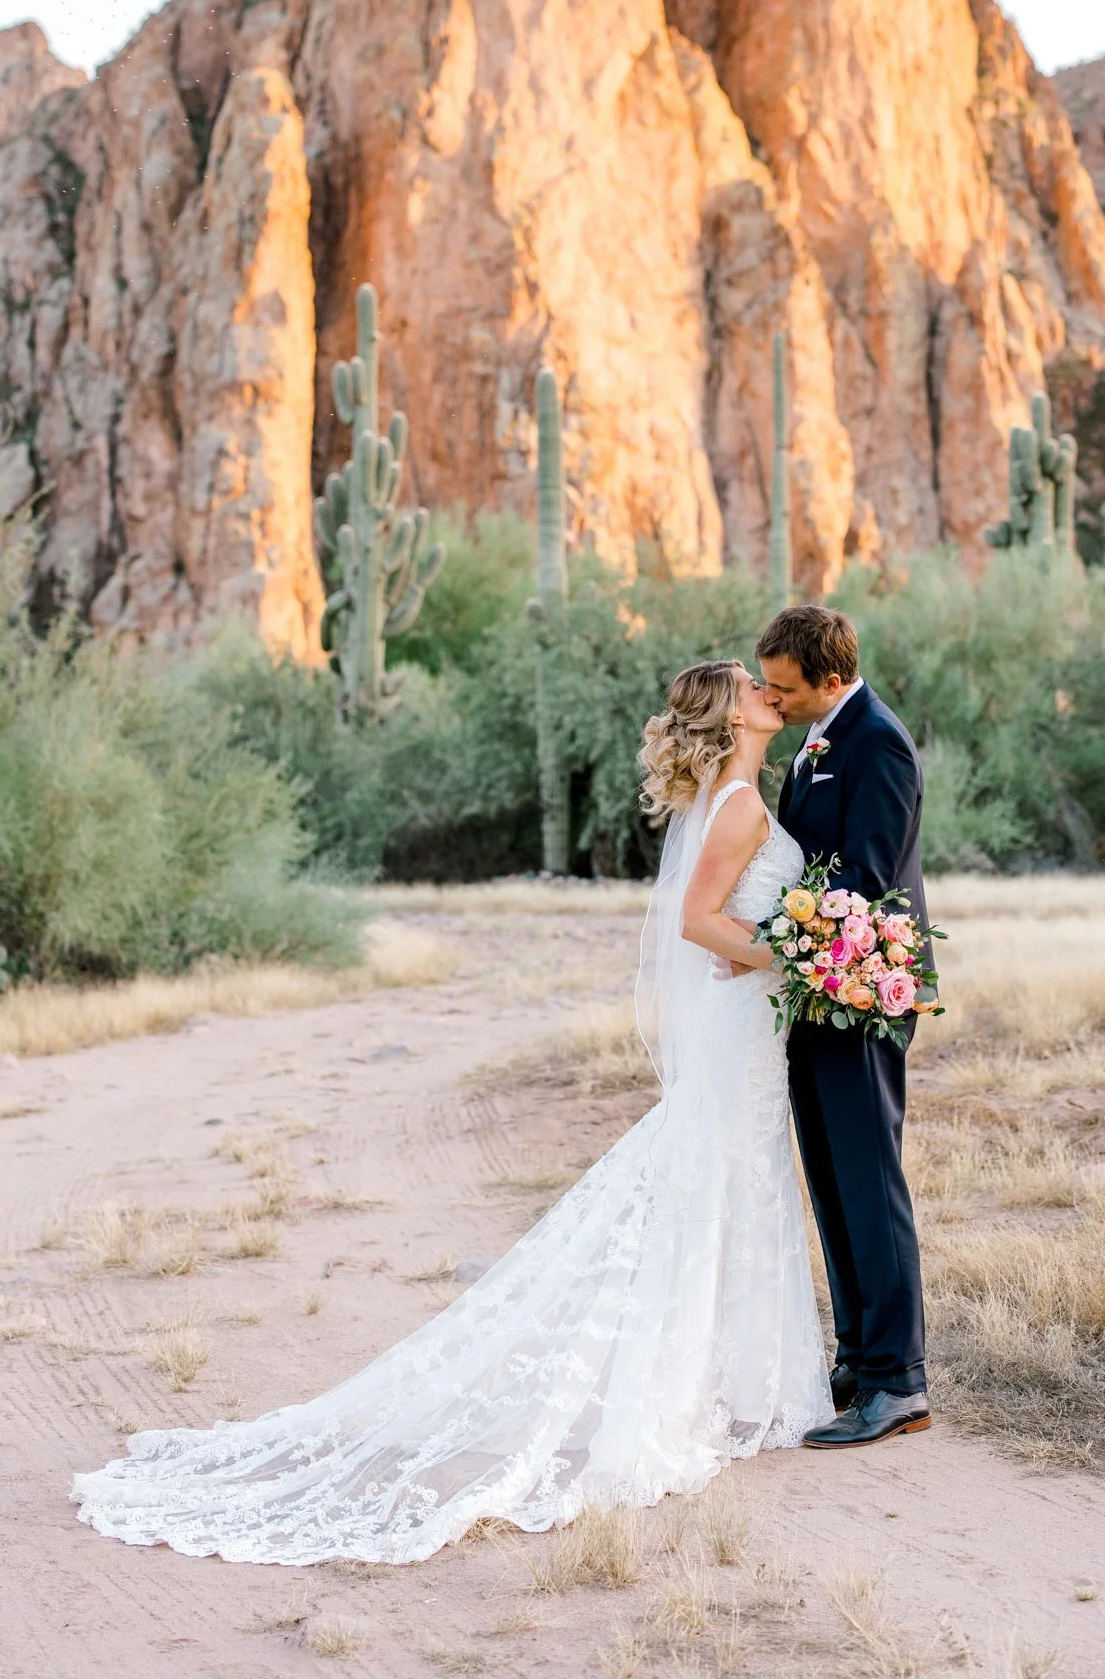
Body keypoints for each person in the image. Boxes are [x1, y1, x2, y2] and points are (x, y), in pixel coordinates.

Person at [71, 660, 832, 1566]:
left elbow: (709, 922)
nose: (767, 691)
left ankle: (723, 1378)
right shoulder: (741, 803)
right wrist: (790, 953)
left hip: (739, 1023)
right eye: (752, 686)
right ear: (728, 715)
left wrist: (776, 947)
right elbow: (697, 924)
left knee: (721, 1179)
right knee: (715, 1176)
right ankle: (707, 1387)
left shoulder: (736, 794)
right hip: (741, 1017)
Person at [757, 605, 932, 1448]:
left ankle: (898, 1382)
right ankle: (857, 1358)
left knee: (869, 1182)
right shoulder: (820, 735)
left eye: (783, 686)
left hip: (862, 992)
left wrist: (776, 931)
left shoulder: (876, 740)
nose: (770, 697)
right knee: (829, 1182)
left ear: (828, 679)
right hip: (815, 991)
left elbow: (866, 874)